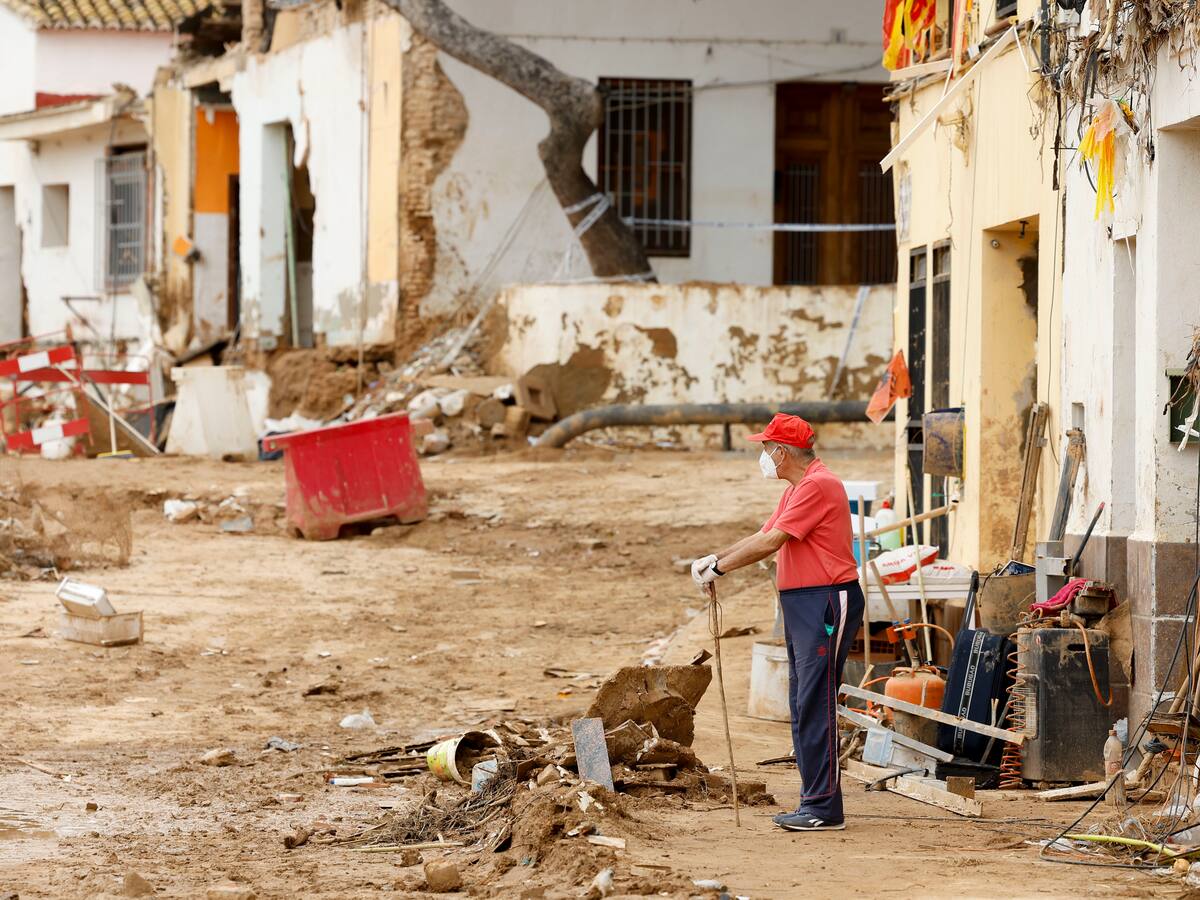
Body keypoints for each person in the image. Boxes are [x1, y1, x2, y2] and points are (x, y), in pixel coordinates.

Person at [691, 413, 864, 832]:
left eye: (767, 448)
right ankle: (814, 801)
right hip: (804, 603)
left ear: (782, 451)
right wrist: (715, 561)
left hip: (825, 601)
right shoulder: (798, 488)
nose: (764, 456)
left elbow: (771, 542)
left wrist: (721, 569)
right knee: (802, 701)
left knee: (814, 701)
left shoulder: (818, 484)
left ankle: (824, 808)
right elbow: (762, 533)